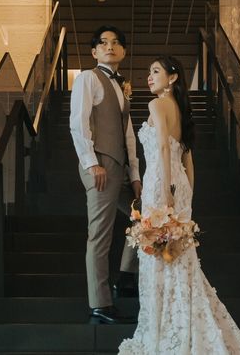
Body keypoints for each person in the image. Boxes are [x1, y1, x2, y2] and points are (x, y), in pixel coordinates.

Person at [118, 56, 240, 354]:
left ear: (172, 77)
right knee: (177, 254)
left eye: (156, 71)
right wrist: (187, 196)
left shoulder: (156, 105)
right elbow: (188, 159)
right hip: (180, 183)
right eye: (149, 72)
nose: (149, 76)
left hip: (160, 181)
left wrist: (166, 191)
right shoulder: (181, 110)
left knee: (159, 254)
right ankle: (180, 322)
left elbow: (162, 147)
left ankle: (165, 327)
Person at [70, 25, 142, 324]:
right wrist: (91, 163)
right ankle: (99, 306)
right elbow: (78, 122)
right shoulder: (88, 78)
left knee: (144, 216)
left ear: (123, 51)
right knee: (99, 235)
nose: (109, 46)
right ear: (94, 51)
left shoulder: (121, 87)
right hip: (100, 165)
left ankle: (126, 276)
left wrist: (135, 174)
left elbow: (128, 134)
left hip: (120, 168)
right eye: (103, 42)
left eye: (115, 42)